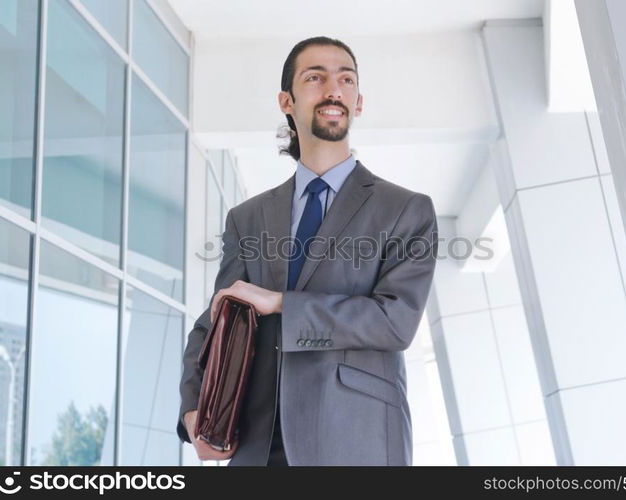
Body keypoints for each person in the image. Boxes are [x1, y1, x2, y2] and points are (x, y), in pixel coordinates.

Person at [177, 36, 438, 466]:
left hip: (357, 437)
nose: (333, 89)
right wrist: (192, 412)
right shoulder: (248, 218)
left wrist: (282, 304)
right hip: (258, 445)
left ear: (358, 102)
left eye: (346, 79)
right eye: (315, 77)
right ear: (286, 100)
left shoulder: (405, 210)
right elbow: (215, 321)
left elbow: (395, 323)